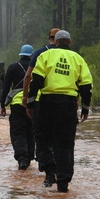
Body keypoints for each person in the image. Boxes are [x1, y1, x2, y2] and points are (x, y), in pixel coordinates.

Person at [25, 30, 93, 193]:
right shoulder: (78, 59)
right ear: (69, 42)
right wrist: (85, 108)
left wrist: (30, 103)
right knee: (65, 143)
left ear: (55, 41)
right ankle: (63, 182)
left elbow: (36, 81)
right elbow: (86, 86)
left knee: (43, 138)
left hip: (47, 103)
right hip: (68, 105)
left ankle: (49, 173)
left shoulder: (45, 56)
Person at [22, 27, 60, 171]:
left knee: (41, 134)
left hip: (40, 101)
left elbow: (28, 76)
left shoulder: (39, 52)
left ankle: (46, 166)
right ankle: (58, 164)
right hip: (63, 101)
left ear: (49, 38)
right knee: (58, 135)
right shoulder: (70, 55)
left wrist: (26, 97)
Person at [0, 44, 35, 170]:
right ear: (32, 55)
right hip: (33, 103)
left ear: (20, 55)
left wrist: (3, 105)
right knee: (31, 131)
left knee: (18, 132)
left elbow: (5, 87)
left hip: (16, 104)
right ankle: (30, 157)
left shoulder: (13, 67)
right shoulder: (36, 67)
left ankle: (22, 159)